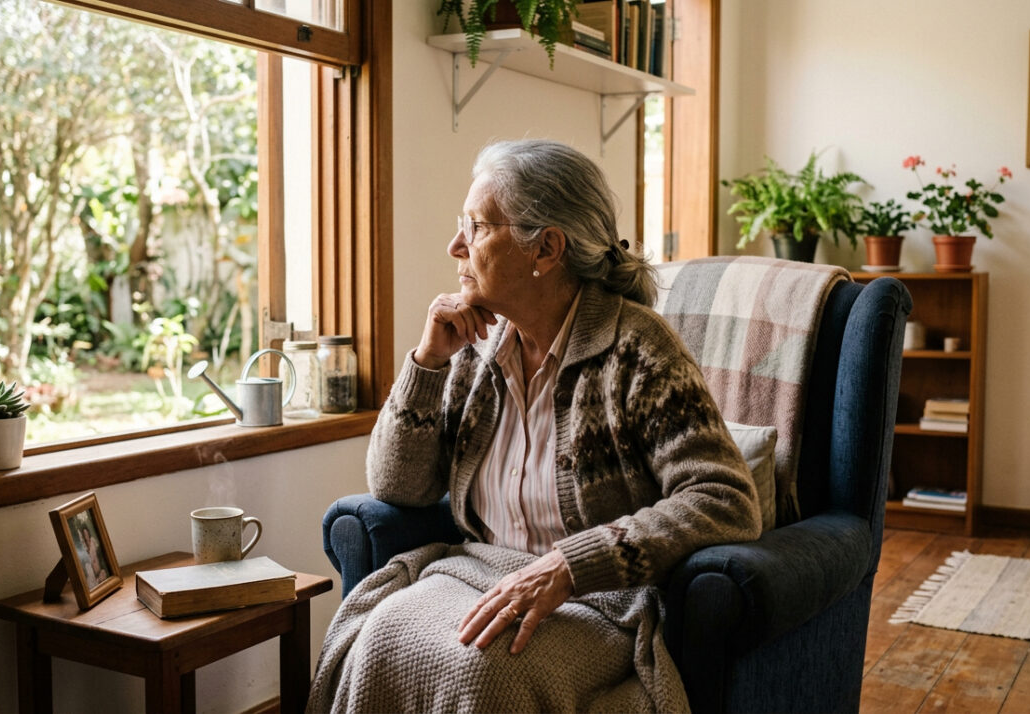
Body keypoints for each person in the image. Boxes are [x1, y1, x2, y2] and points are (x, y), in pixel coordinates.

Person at [307, 139, 761, 712]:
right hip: (475, 573)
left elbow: (725, 499)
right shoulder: (474, 350)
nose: (455, 246)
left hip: (599, 601)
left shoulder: (638, 349)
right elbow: (398, 488)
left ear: (545, 248)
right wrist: (428, 363)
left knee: (480, 671)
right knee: (377, 639)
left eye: (475, 227)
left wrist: (572, 565)